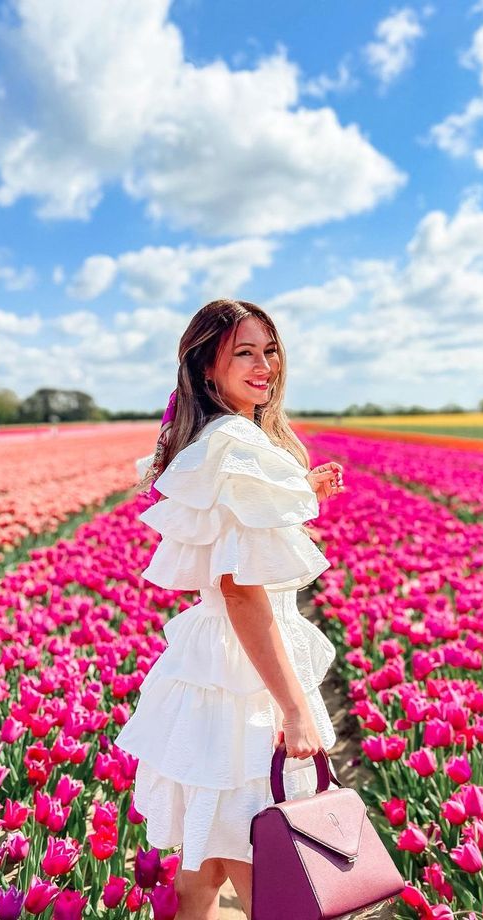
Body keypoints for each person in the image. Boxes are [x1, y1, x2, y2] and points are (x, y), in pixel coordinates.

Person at [114, 298, 346, 920]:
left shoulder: (210, 441)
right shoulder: (236, 445)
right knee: (268, 874)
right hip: (249, 679)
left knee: (206, 860)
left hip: (207, 672)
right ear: (206, 366)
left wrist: (298, 493)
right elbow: (244, 592)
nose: (264, 364)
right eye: (244, 351)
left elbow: (231, 550)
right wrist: (295, 709)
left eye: (268, 349)